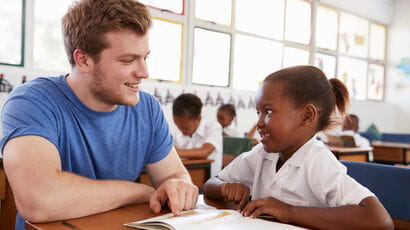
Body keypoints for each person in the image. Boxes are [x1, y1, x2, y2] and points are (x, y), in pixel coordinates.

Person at [0, 1, 198, 229]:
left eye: (145, 57)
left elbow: (174, 176)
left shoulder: (148, 108)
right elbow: (38, 200)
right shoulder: (31, 101)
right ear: (84, 60)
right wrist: (139, 192)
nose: (144, 72)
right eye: (128, 60)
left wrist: (179, 185)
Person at [203, 66, 393, 230]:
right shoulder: (262, 154)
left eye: (268, 112)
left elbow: (380, 221)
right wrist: (225, 187)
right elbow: (210, 184)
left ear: (307, 115)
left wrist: (288, 211)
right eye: (258, 113)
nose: (259, 123)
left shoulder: (317, 161)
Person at [173, 93, 222, 177]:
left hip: (208, 182)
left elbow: (204, 152)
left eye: (185, 127)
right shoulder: (178, 133)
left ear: (198, 118)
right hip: (185, 176)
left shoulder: (213, 127)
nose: (181, 130)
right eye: (177, 125)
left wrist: (173, 152)